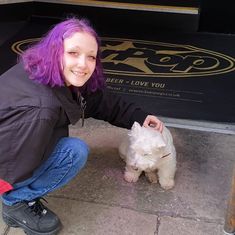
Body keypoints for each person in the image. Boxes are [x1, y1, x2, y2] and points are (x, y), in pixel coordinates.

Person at [0, 17, 163, 235]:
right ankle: (15, 203)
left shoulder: (44, 69)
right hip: (8, 154)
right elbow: (10, 163)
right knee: (74, 153)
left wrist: (138, 116)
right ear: (55, 50)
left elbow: (99, 100)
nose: (83, 64)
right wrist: (7, 187)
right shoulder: (40, 110)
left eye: (91, 57)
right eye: (73, 53)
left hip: (22, 135)